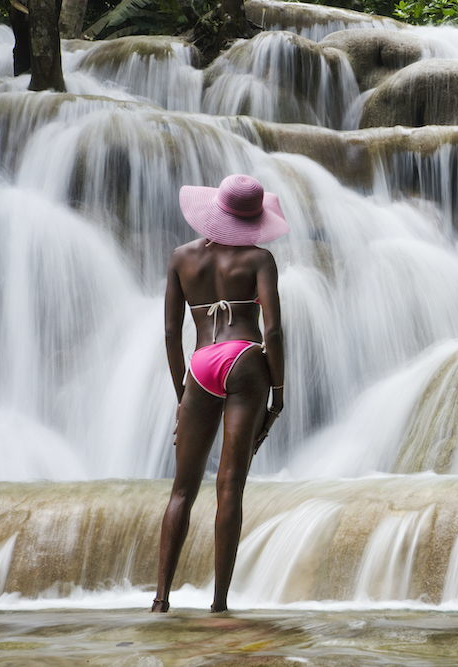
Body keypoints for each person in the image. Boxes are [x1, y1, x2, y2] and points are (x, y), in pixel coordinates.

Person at [152, 174, 288, 613]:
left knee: (181, 490)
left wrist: (182, 393)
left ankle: (160, 600)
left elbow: (172, 332)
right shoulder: (260, 260)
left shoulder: (181, 258)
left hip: (200, 364)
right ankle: (219, 605)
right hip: (246, 359)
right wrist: (279, 394)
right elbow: (274, 330)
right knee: (230, 486)